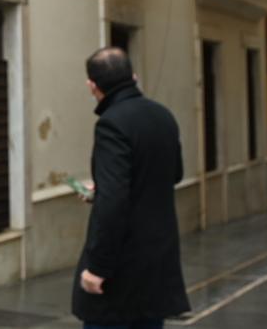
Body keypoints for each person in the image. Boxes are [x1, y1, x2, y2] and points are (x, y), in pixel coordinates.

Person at [72, 47, 190, 329]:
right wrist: (107, 189)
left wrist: (97, 268)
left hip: (121, 272)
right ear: (134, 77)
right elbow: (173, 174)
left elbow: (113, 202)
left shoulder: (111, 124)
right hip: (157, 266)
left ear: (92, 86)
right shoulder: (164, 116)